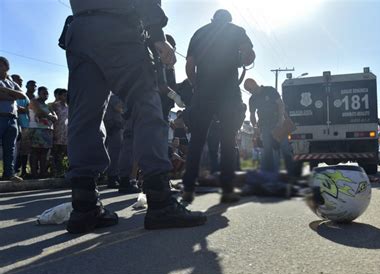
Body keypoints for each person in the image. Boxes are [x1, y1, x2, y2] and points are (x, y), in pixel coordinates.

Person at [65, 0, 206, 234]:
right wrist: (157, 36)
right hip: (118, 30)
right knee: (146, 108)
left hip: (79, 32)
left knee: (84, 116)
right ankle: (161, 202)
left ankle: (84, 206)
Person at [181, 9, 255, 204]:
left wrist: (198, 86)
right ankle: (228, 189)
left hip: (204, 92)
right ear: (229, 19)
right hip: (228, 93)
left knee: (197, 139)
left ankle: (188, 188)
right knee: (228, 141)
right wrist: (242, 59)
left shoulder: (199, 33)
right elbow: (249, 56)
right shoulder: (237, 30)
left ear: (212, 19)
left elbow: (189, 66)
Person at [244, 78, 294, 176]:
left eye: (251, 89)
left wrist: (280, 121)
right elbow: (252, 115)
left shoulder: (270, 90)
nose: (251, 92)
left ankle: (291, 174)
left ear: (255, 84)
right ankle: (271, 176)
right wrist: (255, 127)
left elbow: (281, 105)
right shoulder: (252, 99)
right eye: (249, 91)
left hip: (278, 123)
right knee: (267, 151)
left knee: (285, 149)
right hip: (264, 127)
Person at [0, 57, 27, 181]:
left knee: (10, 148)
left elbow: (22, 95)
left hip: (13, 119)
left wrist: (5, 90)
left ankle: (9, 174)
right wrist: (12, 95)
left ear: (6, 66)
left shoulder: (11, 82)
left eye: (1, 64)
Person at [29, 87, 57, 178]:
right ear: (39, 93)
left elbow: (56, 117)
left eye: (47, 94)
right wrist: (50, 116)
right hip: (37, 129)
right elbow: (39, 112)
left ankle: (42, 172)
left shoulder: (48, 105)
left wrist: (51, 116)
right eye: (44, 93)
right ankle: (34, 173)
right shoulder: (34, 101)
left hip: (48, 130)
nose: (46, 95)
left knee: (45, 153)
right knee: (35, 151)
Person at [11, 74, 31, 177]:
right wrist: (21, 109)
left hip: (25, 125)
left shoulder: (24, 94)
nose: (21, 81)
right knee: (13, 149)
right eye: (18, 80)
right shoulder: (10, 91)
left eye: (21, 80)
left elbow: (28, 109)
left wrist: (22, 109)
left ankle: (23, 171)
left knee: (24, 150)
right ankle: (12, 171)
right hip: (13, 123)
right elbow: (14, 108)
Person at [51, 89, 69, 177]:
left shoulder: (68, 106)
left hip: (65, 132)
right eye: (64, 95)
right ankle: (56, 172)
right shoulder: (55, 105)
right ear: (59, 96)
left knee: (65, 152)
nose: (66, 97)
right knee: (56, 153)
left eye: (67, 95)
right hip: (56, 131)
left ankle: (64, 170)